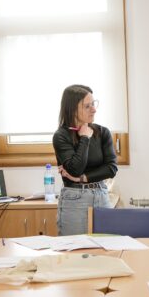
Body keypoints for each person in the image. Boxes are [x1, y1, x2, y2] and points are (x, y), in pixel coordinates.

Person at [52, 85, 118, 235]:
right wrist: (85, 138)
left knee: (106, 249)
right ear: (72, 109)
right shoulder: (61, 136)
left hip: (101, 195)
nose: (94, 109)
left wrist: (82, 178)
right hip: (75, 199)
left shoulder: (103, 132)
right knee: (73, 252)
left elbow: (111, 168)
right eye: (87, 106)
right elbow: (75, 168)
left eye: (93, 104)